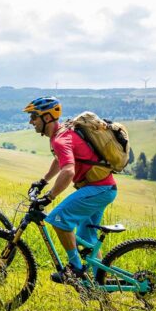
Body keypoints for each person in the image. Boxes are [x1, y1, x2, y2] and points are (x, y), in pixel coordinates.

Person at [24, 96, 117, 283]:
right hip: (103, 189)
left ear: (47, 117)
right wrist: (44, 181)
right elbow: (60, 160)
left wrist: (49, 197)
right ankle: (99, 284)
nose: (31, 121)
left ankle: (75, 268)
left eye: (34, 116)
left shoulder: (60, 139)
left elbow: (68, 170)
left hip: (97, 189)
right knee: (87, 239)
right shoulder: (61, 135)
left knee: (58, 219)